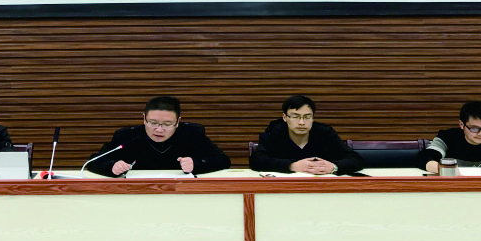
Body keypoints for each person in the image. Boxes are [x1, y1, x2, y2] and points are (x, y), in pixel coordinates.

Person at [85, 95, 230, 177]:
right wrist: (111, 167)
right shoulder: (127, 136)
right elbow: (93, 161)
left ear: (178, 121)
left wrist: (196, 164)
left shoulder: (192, 134)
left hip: (182, 196)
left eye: (167, 124)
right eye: (153, 123)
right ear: (144, 119)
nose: (159, 130)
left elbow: (223, 160)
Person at [249, 95, 365, 175]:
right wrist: (291, 166)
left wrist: (334, 167)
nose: (301, 122)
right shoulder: (273, 132)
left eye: (307, 117)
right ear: (285, 117)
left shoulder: (325, 133)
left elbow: (356, 159)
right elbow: (256, 160)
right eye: (295, 116)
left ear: (313, 117)